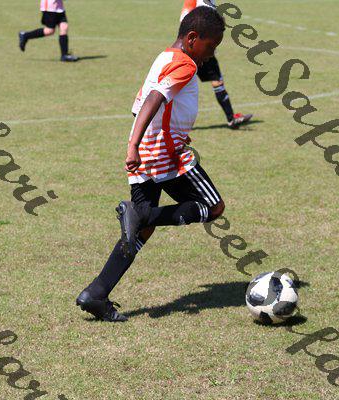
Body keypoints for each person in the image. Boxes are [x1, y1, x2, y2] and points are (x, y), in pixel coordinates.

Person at [76, 6, 226, 322]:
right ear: (192, 38)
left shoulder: (164, 57)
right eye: (210, 46)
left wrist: (147, 139)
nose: (211, 54)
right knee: (212, 207)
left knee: (139, 231)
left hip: (146, 152)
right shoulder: (185, 63)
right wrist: (139, 143)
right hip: (164, 155)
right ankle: (140, 213)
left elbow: (140, 105)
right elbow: (155, 98)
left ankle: (96, 294)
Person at [182, 0, 252, 129]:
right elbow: (184, 23)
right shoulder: (193, 1)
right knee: (181, 85)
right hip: (195, 49)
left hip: (206, 50)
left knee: (216, 81)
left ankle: (231, 119)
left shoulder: (210, 1)